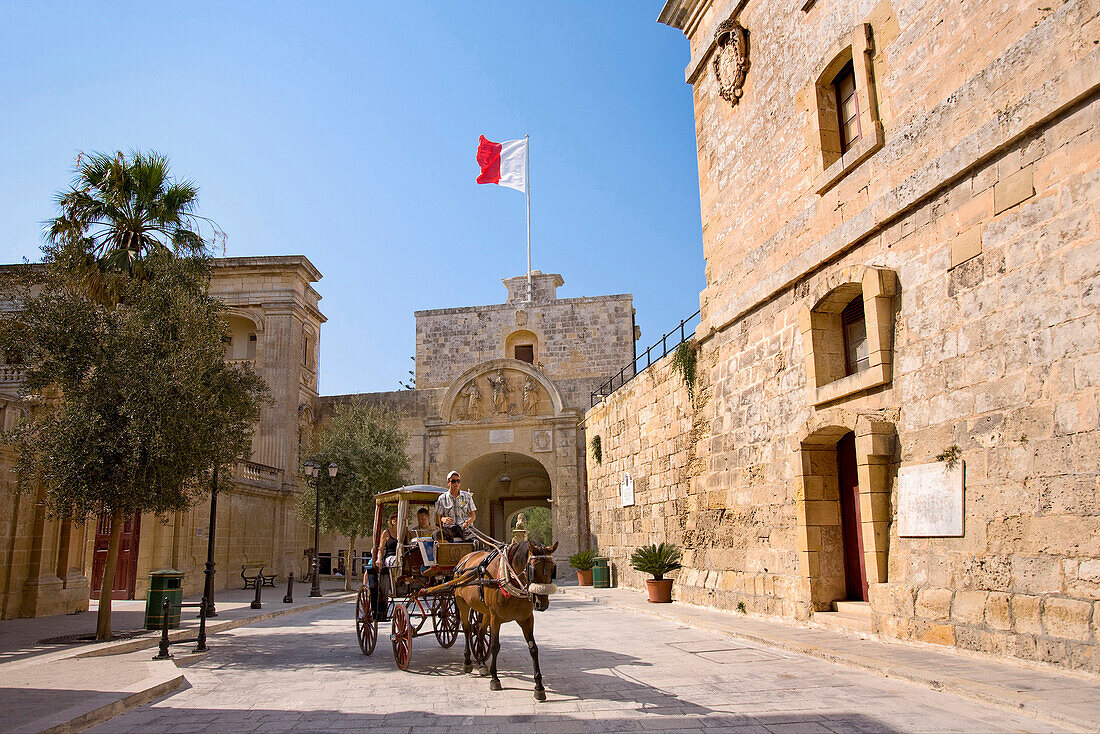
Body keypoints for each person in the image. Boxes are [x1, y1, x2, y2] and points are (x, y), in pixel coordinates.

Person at [435, 470, 476, 542]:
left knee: (476, 538)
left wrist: (467, 523)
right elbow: (438, 518)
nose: (456, 483)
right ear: (448, 483)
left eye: (458, 481)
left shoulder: (467, 496)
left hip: (464, 528)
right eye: (453, 481)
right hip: (449, 528)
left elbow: (473, 516)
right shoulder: (442, 498)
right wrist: (443, 519)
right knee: (436, 534)